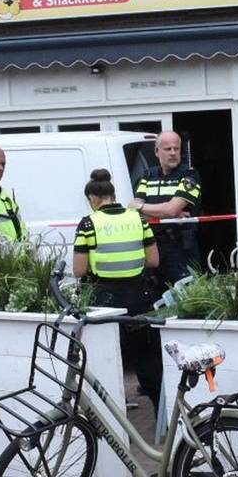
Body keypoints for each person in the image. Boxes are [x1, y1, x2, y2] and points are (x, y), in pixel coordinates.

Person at [73, 169, 161, 410]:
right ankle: (160, 414)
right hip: (139, 297)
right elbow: (153, 261)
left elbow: (79, 270)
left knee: (109, 359)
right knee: (145, 357)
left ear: (92, 198)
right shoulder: (138, 219)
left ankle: (117, 421)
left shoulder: (89, 223)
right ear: (113, 195)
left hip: (105, 300)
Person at [129, 131, 202, 285]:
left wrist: (143, 207)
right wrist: (166, 212)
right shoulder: (148, 175)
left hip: (180, 249)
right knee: (153, 297)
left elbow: (171, 210)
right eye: (168, 149)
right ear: (157, 151)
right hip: (152, 247)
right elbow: (133, 212)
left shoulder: (189, 175)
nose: (173, 153)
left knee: (185, 298)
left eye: (176, 148)